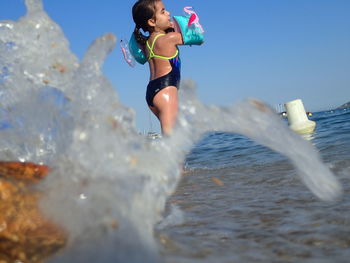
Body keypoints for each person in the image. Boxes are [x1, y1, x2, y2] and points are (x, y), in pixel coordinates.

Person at [131, 0, 203, 135]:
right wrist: (191, 21)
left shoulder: (146, 44)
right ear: (152, 22)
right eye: (163, 11)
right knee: (171, 139)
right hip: (166, 90)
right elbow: (199, 38)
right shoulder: (170, 38)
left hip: (151, 93)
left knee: (171, 136)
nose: (168, 13)